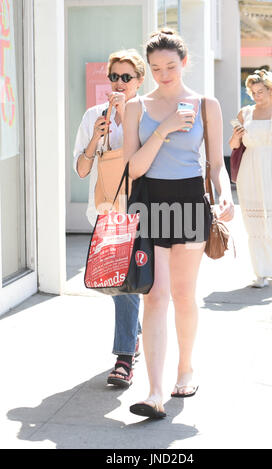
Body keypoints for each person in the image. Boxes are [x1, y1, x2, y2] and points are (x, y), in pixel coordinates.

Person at [123, 29, 234, 418]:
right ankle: (154, 392)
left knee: (184, 295)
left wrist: (225, 193)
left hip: (189, 202)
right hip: (150, 202)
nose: (163, 74)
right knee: (154, 295)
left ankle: (185, 368)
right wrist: (166, 127)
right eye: (155, 68)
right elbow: (134, 168)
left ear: (184, 62)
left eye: (170, 66)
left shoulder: (207, 104)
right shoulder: (136, 106)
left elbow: (217, 164)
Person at [73, 49, 146, 387]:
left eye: (126, 77)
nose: (118, 83)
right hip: (108, 209)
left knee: (128, 284)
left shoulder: (147, 113)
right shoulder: (92, 115)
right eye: (114, 76)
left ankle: (123, 358)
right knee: (122, 284)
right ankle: (132, 339)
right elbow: (83, 169)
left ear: (139, 81)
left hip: (143, 207)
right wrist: (96, 136)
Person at [229, 69, 272, 288]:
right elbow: (233, 146)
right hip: (250, 169)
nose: (256, 96)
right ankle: (262, 271)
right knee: (255, 222)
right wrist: (236, 136)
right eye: (253, 92)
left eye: (260, 91)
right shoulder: (244, 113)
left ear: (271, 90)